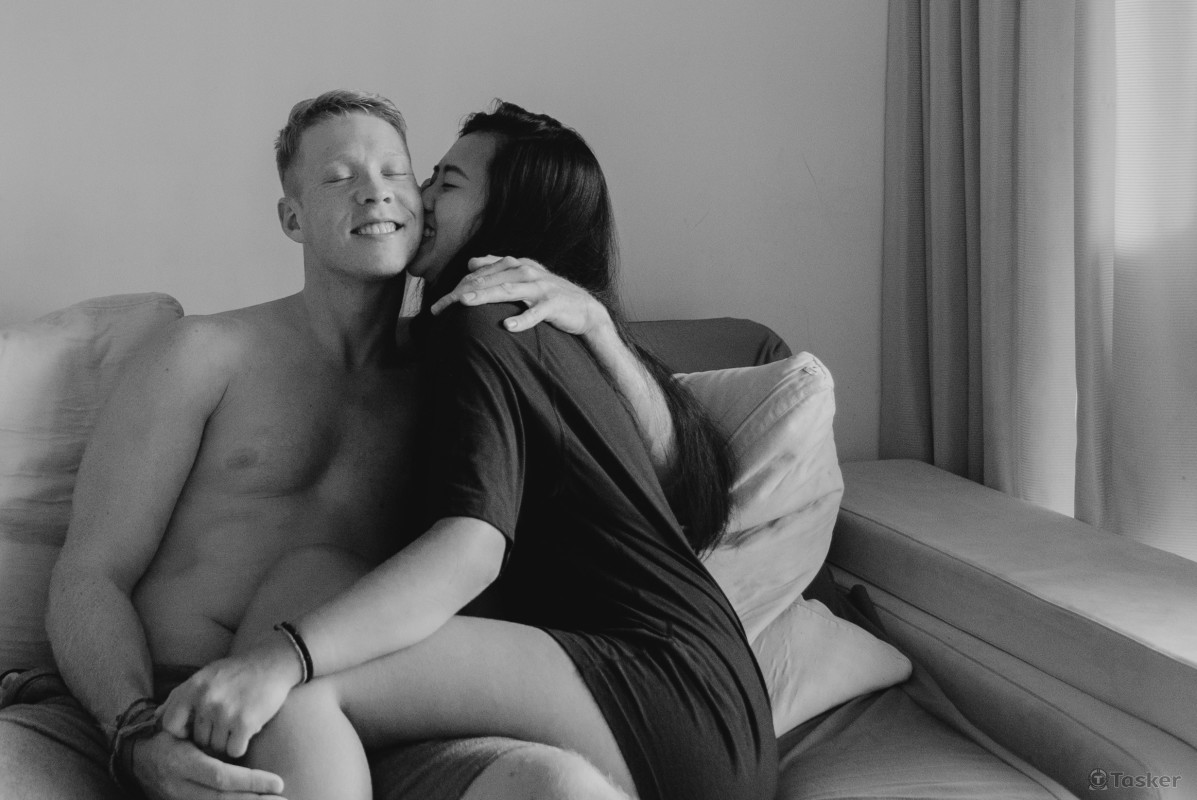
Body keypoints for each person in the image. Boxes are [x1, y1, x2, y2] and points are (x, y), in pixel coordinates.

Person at [0, 90, 682, 800]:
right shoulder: (202, 354)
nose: (374, 192)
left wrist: (596, 325)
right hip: (148, 706)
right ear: (292, 218)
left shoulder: (458, 382)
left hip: (332, 719)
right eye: (338, 176)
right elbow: (90, 574)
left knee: (558, 786)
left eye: (395, 172)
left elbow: (655, 484)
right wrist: (132, 731)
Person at [155, 101, 778, 800]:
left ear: (505, 213)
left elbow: (472, 549)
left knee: (289, 689)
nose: (416, 198)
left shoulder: (485, 317)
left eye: (444, 184)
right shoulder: (529, 337)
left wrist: (278, 660)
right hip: (718, 710)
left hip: (662, 694)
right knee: (309, 576)